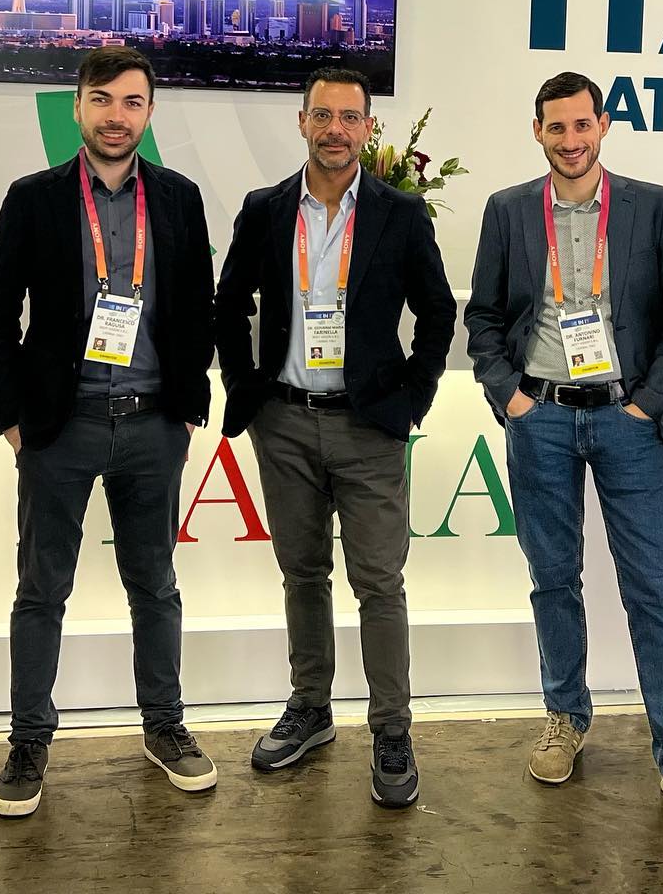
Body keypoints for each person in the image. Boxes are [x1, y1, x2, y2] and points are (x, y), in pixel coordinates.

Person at [465, 71, 663, 836]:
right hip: (541, 418)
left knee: (655, 589)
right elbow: (483, 318)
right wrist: (511, 398)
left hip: (628, 422)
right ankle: (565, 718)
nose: (571, 140)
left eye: (583, 125)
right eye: (557, 127)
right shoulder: (509, 210)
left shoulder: (649, 205)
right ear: (538, 132)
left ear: (603, 125)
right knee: (553, 579)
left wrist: (649, 402)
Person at [0, 46, 217, 817]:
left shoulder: (178, 199)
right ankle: (28, 742)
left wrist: (187, 408)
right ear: (79, 107)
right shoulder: (34, 199)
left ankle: (164, 727)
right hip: (60, 429)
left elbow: (200, 309)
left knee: (156, 587)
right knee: (41, 591)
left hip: (153, 427)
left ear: (150, 112)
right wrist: (12, 420)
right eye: (103, 100)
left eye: (132, 102)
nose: (117, 116)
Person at [214, 67, 456, 808]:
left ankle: (392, 730)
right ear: (302, 122)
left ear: (368, 129)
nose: (335, 130)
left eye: (350, 117)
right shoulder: (264, 209)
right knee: (303, 574)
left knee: (379, 583)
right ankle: (311, 709)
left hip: (368, 427)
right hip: (284, 423)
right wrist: (248, 391)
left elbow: (438, 313)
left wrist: (411, 400)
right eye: (323, 115)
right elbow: (229, 304)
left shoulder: (400, 214)